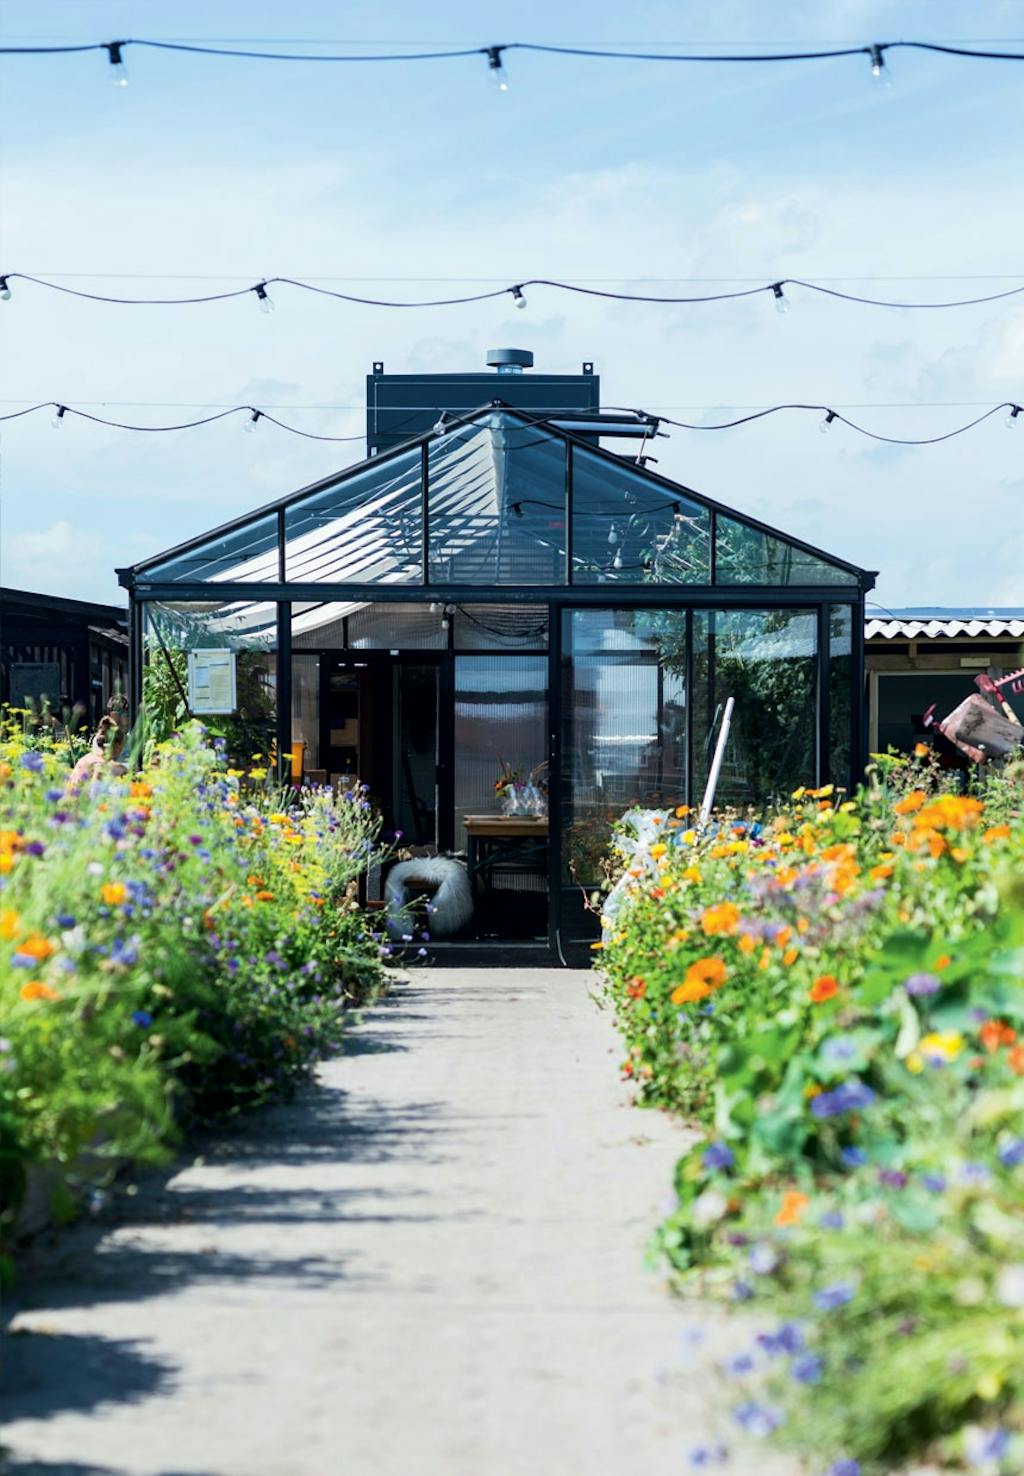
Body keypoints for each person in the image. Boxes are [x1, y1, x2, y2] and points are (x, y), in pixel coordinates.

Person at [68, 715, 128, 785]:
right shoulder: (101, 766)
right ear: (118, 745)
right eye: (123, 744)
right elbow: (96, 788)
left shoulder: (85, 759)